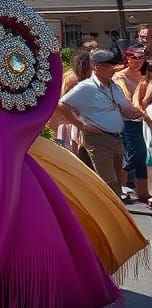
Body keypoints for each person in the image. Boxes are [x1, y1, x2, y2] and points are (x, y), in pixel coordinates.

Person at [58, 48, 145, 199]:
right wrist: (81, 125)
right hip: (98, 138)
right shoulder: (86, 87)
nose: (112, 69)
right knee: (110, 183)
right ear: (96, 67)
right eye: (108, 66)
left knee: (113, 181)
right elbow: (62, 105)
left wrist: (136, 112)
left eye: (113, 65)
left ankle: (97, 211)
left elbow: (126, 109)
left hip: (116, 138)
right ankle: (114, 216)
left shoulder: (115, 87)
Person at [114, 45, 151, 202]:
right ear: (127, 58)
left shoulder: (145, 76)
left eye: (140, 57)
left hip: (143, 120)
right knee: (133, 154)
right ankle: (121, 187)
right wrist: (141, 111)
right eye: (134, 57)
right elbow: (126, 100)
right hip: (128, 120)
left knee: (144, 155)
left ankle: (143, 191)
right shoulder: (119, 77)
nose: (138, 60)